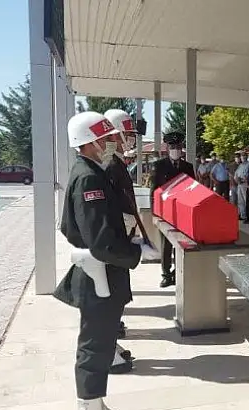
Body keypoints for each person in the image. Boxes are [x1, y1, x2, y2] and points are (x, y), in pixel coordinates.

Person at [53, 111, 159, 410]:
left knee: (101, 341)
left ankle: (96, 406)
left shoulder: (93, 171)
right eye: (105, 138)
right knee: (95, 345)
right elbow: (101, 241)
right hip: (98, 272)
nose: (111, 143)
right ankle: (89, 409)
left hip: (104, 270)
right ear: (88, 142)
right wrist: (137, 253)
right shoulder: (89, 178)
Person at [103, 109, 141, 373]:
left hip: (121, 238)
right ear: (115, 135)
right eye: (128, 133)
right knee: (111, 296)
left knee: (117, 294)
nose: (131, 138)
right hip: (114, 241)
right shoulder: (110, 165)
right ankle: (108, 352)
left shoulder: (116, 163)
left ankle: (111, 346)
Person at [150, 132, 196, 288]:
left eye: (178, 146)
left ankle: (178, 272)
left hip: (182, 212)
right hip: (165, 212)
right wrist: (154, 212)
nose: (176, 149)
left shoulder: (187, 167)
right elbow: (153, 190)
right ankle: (166, 274)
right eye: (173, 147)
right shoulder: (159, 165)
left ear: (182, 148)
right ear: (167, 148)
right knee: (166, 245)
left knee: (181, 243)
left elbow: (193, 190)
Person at [234, 151, 249, 220]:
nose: (243, 157)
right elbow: (236, 175)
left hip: (245, 184)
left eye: (244, 155)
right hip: (239, 185)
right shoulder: (240, 165)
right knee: (240, 201)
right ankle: (242, 214)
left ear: (247, 156)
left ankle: (247, 215)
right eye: (242, 156)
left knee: (246, 200)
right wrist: (236, 179)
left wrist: (242, 180)